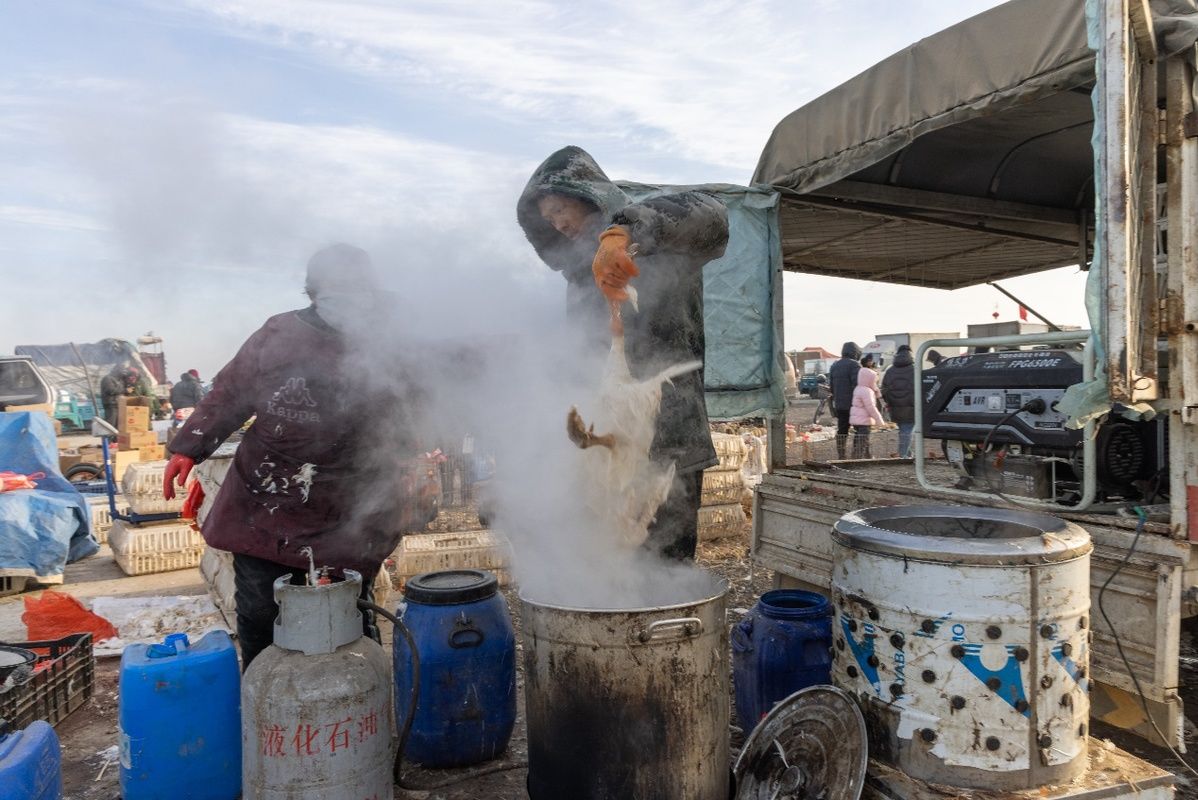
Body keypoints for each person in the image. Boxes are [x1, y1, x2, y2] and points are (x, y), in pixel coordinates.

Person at [162, 244, 439, 669]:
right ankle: (264, 696)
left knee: (351, 609)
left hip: (352, 498)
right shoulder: (278, 333)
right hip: (269, 494)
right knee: (261, 609)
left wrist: (415, 458)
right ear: (314, 292)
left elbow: (422, 400)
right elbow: (230, 393)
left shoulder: (392, 339)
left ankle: (362, 700)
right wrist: (187, 447)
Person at [517, 145, 729, 561]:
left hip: (668, 435)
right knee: (612, 565)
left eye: (561, 209)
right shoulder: (579, 276)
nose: (557, 224)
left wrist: (626, 234)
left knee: (665, 567)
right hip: (605, 447)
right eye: (548, 219)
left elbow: (713, 213)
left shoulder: (662, 241)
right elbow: (576, 355)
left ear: (589, 195)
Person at [827, 342, 861, 459]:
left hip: (840, 405)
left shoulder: (835, 365)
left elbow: (831, 387)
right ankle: (856, 454)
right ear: (855, 352)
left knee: (842, 430)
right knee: (860, 429)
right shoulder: (855, 365)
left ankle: (841, 455)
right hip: (854, 404)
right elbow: (857, 385)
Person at [881, 344, 916, 458]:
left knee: (904, 430)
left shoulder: (890, 370)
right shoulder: (915, 369)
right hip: (912, 406)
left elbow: (884, 389)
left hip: (895, 406)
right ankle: (903, 455)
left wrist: (890, 401)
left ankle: (908, 453)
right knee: (907, 431)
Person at [850, 366, 886, 459]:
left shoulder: (859, 388)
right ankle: (858, 458)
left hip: (857, 419)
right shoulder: (867, 391)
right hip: (863, 419)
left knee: (860, 438)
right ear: (869, 380)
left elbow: (877, 396)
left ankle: (866, 456)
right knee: (863, 439)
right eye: (874, 381)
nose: (875, 383)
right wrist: (879, 420)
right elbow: (871, 407)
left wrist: (876, 390)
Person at [99, 363, 146, 427]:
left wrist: (128, 389)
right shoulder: (108, 379)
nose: (123, 374)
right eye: (122, 371)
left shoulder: (119, 380)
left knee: (118, 425)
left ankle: (115, 436)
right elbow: (110, 390)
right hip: (111, 405)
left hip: (118, 404)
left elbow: (122, 390)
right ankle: (108, 436)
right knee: (111, 424)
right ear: (117, 371)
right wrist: (125, 390)